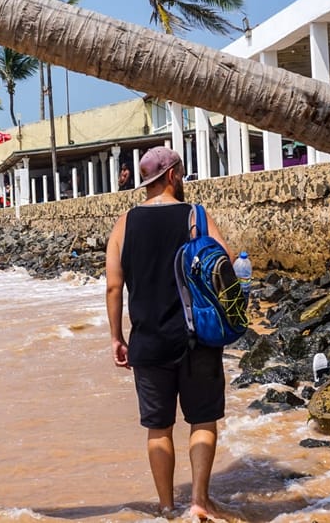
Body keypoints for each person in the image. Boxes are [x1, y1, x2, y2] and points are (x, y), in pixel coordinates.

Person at [105, 146, 234, 520]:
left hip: (148, 341)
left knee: (158, 428)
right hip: (198, 339)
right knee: (202, 419)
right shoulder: (196, 215)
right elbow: (223, 266)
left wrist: (117, 337)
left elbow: (114, 287)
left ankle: (165, 506)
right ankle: (199, 502)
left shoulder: (124, 223)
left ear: (146, 181)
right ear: (174, 175)